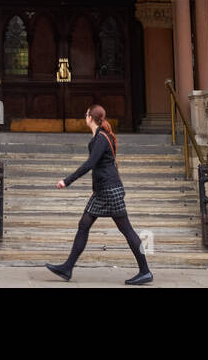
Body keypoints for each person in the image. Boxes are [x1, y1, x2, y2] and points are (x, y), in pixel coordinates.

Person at [45, 105, 152, 285]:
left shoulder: (100, 139)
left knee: (126, 230)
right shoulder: (100, 137)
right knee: (84, 225)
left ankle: (145, 271)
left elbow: (90, 164)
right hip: (103, 190)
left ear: (90, 118)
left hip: (109, 191)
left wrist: (67, 180)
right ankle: (67, 268)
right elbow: (102, 167)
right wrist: (95, 188)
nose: (85, 116)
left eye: (86, 114)